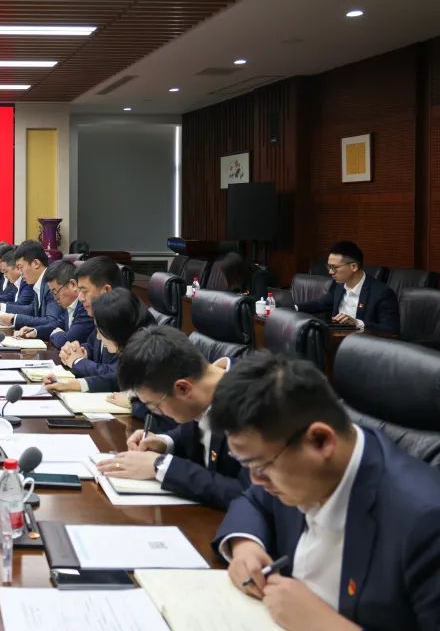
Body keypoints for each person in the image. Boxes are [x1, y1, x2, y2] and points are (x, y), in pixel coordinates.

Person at [211, 352, 440, 631]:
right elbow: (253, 501)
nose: (255, 479)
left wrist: (323, 625)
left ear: (320, 441)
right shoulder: (295, 465)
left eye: (260, 465)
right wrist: (246, 546)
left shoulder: (425, 521)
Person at [93, 325, 248, 510]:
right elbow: (196, 427)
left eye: (155, 406)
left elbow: (248, 495)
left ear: (183, 388)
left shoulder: (253, 405)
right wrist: (163, 442)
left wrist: (160, 465)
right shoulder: (204, 385)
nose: (157, 412)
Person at [295, 241, 398, 334]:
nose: (330, 272)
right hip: (337, 338)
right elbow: (320, 303)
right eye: (329, 267)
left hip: (363, 343)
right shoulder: (339, 284)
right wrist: (295, 308)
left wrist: (357, 323)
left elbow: (391, 329)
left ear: (354, 267)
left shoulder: (382, 293)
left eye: (334, 267)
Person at [15, 260, 92, 343]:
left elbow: (66, 341)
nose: (55, 298)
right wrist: (35, 331)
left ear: (72, 285)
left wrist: (55, 334)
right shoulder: (71, 306)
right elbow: (57, 325)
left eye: (55, 292)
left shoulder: (85, 308)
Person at [0, 241, 65, 331]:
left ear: (36, 263)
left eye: (21, 267)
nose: (20, 273)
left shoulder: (51, 284)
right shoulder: (39, 281)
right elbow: (32, 310)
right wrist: (3, 309)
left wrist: (14, 319)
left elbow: (51, 320)